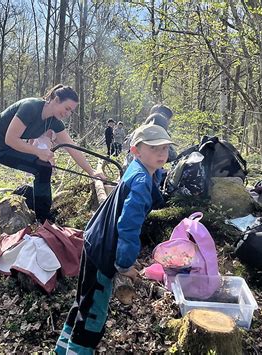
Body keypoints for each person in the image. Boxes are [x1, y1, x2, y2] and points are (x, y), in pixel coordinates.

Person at [55, 124, 174, 354]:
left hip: (95, 239)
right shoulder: (140, 181)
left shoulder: (138, 168)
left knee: (84, 300)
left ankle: (62, 349)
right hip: (105, 251)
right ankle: (78, 350)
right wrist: (124, 264)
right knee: (93, 313)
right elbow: (128, 226)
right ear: (135, 150)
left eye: (166, 148)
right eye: (154, 147)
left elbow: (153, 179)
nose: (162, 153)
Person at [0, 84, 105, 260]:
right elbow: (11, 138)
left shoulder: (54, 121)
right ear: (55, 100)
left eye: (71, 111)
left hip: (7, 148)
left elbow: (72, 147)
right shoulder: (30, 107)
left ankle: (44, 218)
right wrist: (38, 151)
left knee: (43, 167)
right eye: (66, 108)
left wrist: (91, 171)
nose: (67, 114)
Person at [123, 104, 177, 169]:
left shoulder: (139, 130)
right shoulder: (157, 133)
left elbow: (125, 145)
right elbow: (172, 156)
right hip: (139, 171)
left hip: (129, 169)